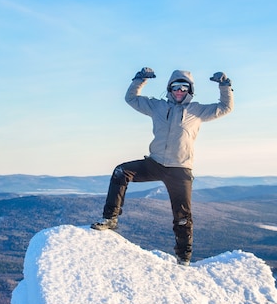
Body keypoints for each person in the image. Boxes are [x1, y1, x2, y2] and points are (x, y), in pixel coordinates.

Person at [91, 67, 233, 266]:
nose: (179, 91)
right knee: (120, 172)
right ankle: (110, 219)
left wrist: (224, 85)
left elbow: (225, 107)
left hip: (180, 168)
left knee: (182, 217)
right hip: (155, 163)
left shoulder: (197, 110)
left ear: (190, 90)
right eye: (176, 87)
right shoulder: (157, 106)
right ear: (169, 88)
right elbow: (131, 99)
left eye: (184, 87)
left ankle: (183, 258)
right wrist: (139, 79)